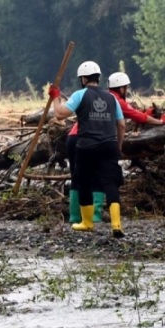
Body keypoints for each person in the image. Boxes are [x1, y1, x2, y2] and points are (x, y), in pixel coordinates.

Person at [65, 71, 165, 223]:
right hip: (90, 140)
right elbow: (135, 117)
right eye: (126, 88)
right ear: (122, 89)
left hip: (73, 137)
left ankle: (75, 216)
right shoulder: (114, 99)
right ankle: (94, 216)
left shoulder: (100, 96)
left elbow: (132, 114)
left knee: (78, 177)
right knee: (99, 178)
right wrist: (160, 121)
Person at [51, 61, 126, 237]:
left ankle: (87, 222)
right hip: (109, 145)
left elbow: (60, 114)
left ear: (83, 79)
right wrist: (118, 146)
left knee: (84, 181)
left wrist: (55, 97)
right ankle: (116, 225)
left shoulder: (80, 94)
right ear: (98, 78)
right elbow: (121, 125)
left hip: (87, 145)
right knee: (110, 183)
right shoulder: (111, 98)